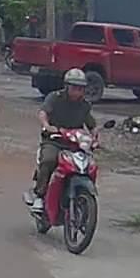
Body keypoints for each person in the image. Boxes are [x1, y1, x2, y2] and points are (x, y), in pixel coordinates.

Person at [25, 68, 97, 211]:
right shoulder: (54, 98)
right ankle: (40, 195)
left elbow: (91, 125)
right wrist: (47, 126)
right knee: (49, 160)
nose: (77, 91)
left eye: (80, 88)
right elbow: (43, 113)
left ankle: (83, 195)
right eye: (74, 87)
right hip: (54, 140)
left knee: (88, 166)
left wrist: (94, 138)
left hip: (75, 144)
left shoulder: (85, 105)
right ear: (67, 86)